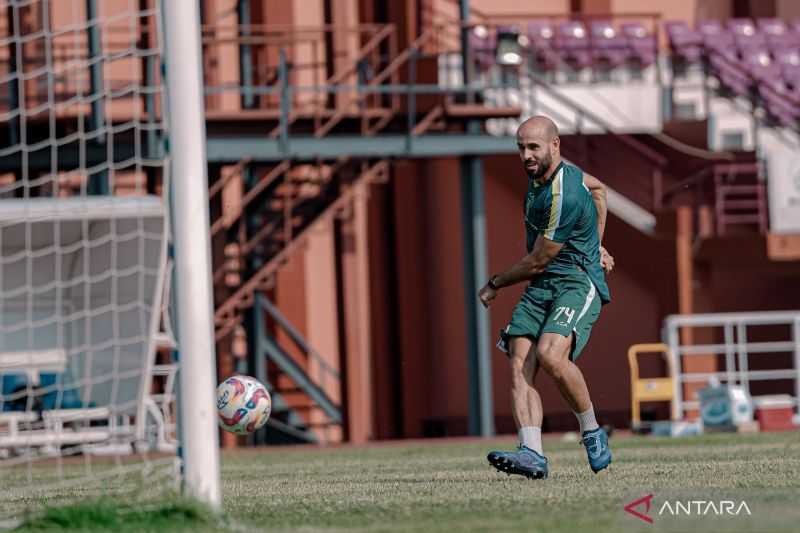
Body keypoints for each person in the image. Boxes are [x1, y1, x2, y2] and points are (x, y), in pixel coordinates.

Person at [478, 115, 614, 479]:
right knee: (519, 358)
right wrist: (599, 243)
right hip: (543, 285)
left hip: (575, 281)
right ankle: (532, 453)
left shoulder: (563, 193)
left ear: (555, 145)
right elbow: (599, 189)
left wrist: (495, 282)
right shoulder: (545, 177)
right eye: (521, 147)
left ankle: (591, 430)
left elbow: (538, 261)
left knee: (551, 354)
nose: (526, 155)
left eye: (534, 147)